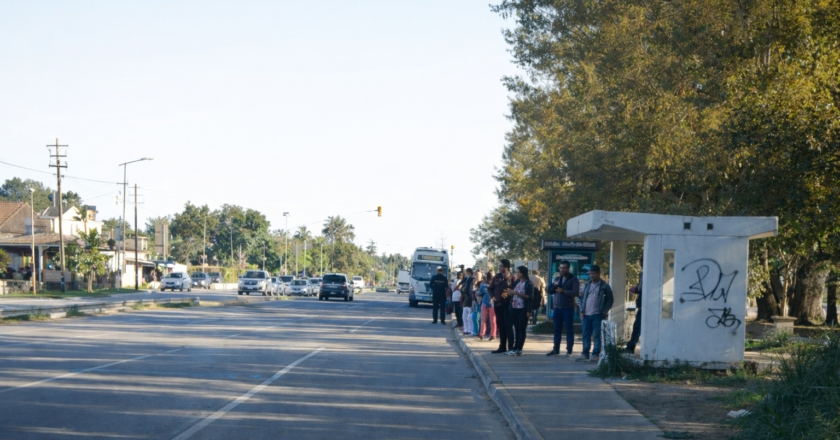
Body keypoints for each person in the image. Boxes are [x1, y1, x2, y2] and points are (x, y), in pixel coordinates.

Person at [576, 265, 614, 362]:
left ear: (598, 273)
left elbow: (610, 300)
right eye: (590, 274)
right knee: (585, 335)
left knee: (597, 335)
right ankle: (585, 353)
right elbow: (581, 298)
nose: (591, 276)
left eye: (593, 273)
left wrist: (604, 310)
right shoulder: (587, 285)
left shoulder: (605, 286)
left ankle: (596, 354)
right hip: (586, 314)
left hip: (597, 314)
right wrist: (581, 311)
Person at [546, 260, 580, 356]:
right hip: (557, 308)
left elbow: (575, 292)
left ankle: (569, 350)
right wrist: (555, 286)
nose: (562, 269)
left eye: (564, 268)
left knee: (569, 329)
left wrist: (564, 291)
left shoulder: (573, 279)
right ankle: (556, 349)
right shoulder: (557, 278)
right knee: (557, 329)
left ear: (569, 268)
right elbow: (550, 290)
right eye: (561, 268)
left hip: (568, 308)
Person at [506, 266, 534, 355]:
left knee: (521, 329)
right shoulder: (517, 282)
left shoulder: (529, 283)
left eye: (517, 272)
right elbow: (513, 293)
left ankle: (519, 347)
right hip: (514, 307)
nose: (516, 274)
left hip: (523, 308)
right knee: (515, 327)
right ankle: (514, 347)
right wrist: (510, 293)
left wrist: (519, 294)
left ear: (522, 273)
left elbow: (530, 297)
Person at [490, 259, 515, 354]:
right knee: (501, 326)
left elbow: (515, 291)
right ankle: (502, 346)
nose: (499, 267)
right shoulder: (497, 277)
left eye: (501, 266)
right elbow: (490, 288)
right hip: (497, 304)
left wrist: (508, 294)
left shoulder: (512, 278)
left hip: (507, 304)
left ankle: (511, 347)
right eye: (499, 266)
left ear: (506, 267)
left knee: (508, 325)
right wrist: (492, 296)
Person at [625, 256, 644, 353]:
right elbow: (641, 288)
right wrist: (637, 289)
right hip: (641, 304)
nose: (640, 264)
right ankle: (631, 346)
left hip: (646, 304)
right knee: (637, 326)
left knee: (638, 326)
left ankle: (631, 346)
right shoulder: (642, 274)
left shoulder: (650, 272)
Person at [461, 268, 474, 335]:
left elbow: (465, 289)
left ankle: (469, 330)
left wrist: (462, 289)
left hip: (469, 299)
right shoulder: (467, 279)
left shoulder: (470, 279)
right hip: (466, 299)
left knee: (469, 317)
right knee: (464, 317)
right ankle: (466, 329)